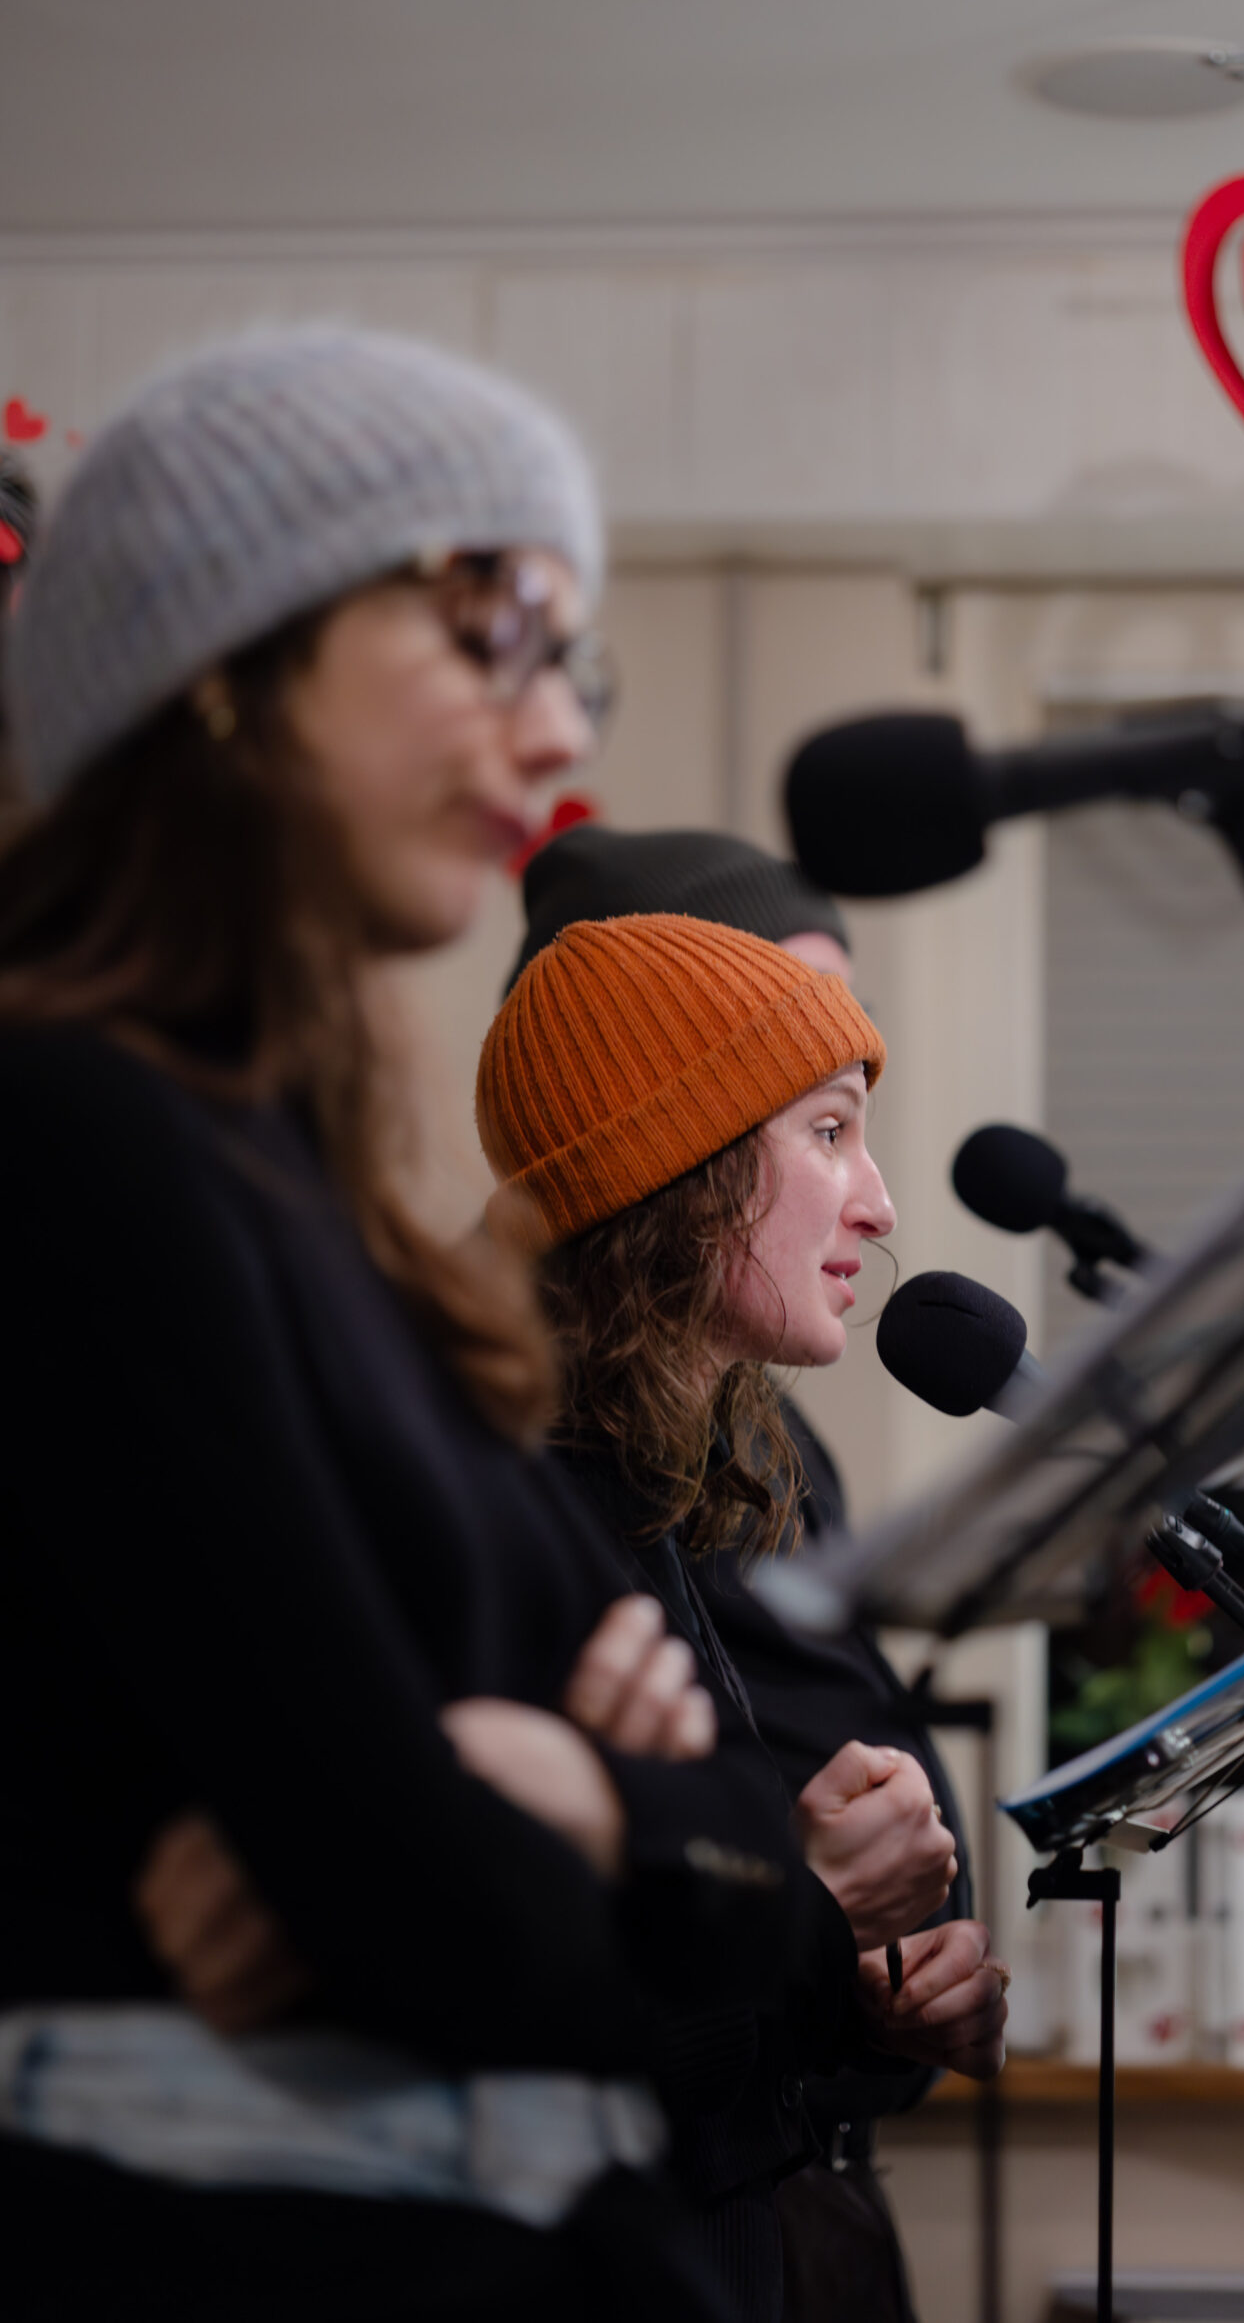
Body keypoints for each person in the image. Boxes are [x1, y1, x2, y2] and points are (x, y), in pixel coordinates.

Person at [0, 324, 843, 2321]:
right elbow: (434, 1904)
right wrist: (610, 1809)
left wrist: (579, 1799)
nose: (553, 738)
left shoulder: (352, 1231)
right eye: (498, 635)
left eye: (572, 667)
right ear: (225, 655)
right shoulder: (77, 1140)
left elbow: (750, 1890)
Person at [475, 909, 1010, 2319]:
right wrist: (810, 1915)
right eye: (829, 1132)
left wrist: (865, 1999)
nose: (878, 1205)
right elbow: (513, 2065)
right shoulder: (522, 1527)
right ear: (683, 1172)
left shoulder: (660, 1491)